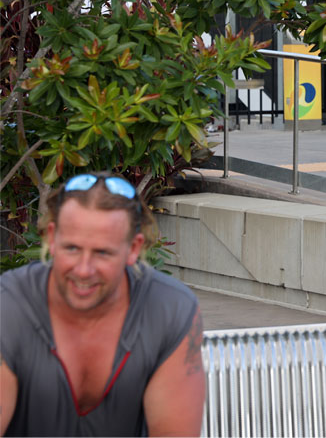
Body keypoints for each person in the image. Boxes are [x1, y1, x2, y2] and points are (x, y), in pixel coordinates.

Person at [0, 173, 206, 436]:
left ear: (133, 248)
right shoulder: (9, 307)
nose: (84, 270)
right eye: (72, 248)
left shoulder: (169, 311)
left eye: (102, 253)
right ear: (52, 239)